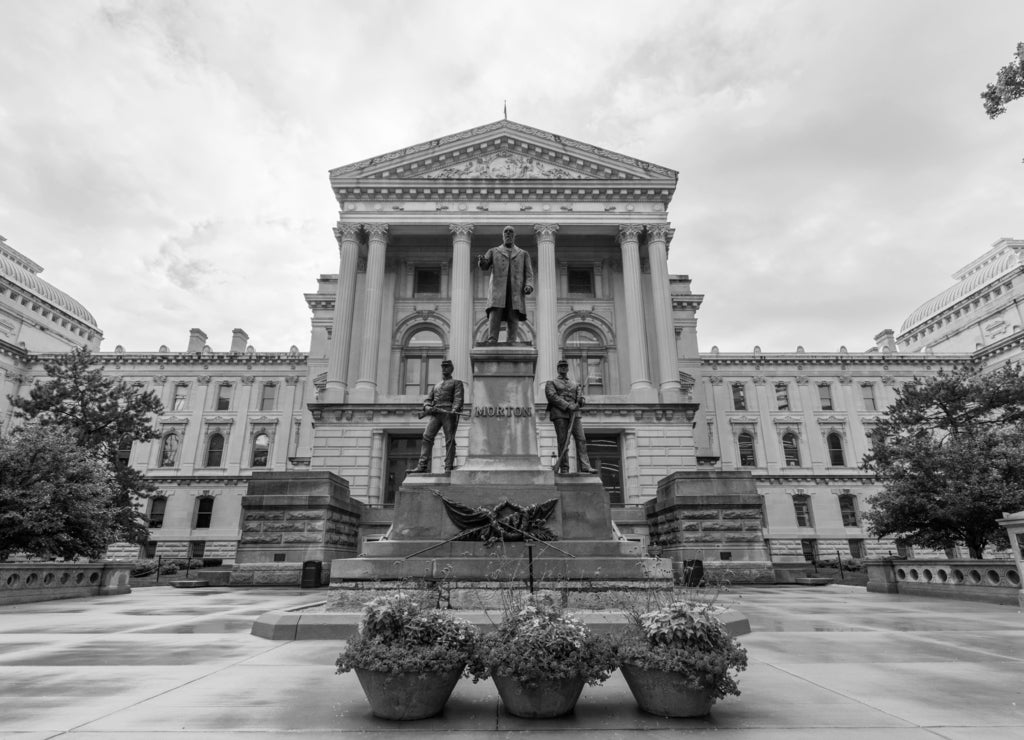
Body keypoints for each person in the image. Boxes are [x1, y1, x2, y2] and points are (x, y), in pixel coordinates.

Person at [478, 226, 535, 343]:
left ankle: (511, 340)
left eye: (511, 232)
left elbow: (529, 273)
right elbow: (484, 266)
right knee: (495, 314)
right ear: (502, 235)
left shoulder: (523, 254)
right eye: (506, 232)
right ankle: (492, 339)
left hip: (515, 290)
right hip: (498, 290)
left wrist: (529, 285)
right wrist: (482, 261)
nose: (508, 233)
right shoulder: (493, 251)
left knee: (513, 316)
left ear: (515, 236)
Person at [409, 359, 465, 473]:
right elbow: (428, 400)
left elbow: (458, 398)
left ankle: (448, 466)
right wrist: (427, 406)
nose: (444, 368)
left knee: (449, 439)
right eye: (443, 367)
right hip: (435, 413)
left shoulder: (456, 383)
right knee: (427, 436)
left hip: (448, 413)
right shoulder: (436, 385)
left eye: (447, 367)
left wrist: (454, 409)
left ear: (451, 369)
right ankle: (422, 465)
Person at [545, 359, 598, 474]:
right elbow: (552, 396)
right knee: (563, 441)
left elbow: (582, 399)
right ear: (558, 369)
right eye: (561, 367)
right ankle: (564, 468)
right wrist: (568, 405)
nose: (563, 368)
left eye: (565, 366)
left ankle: (585, 466)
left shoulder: (575, 384)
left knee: (581, 439)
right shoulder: (551, 382)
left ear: (568, 369)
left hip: (575, 414)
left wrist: (580, 401)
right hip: (560, 414)